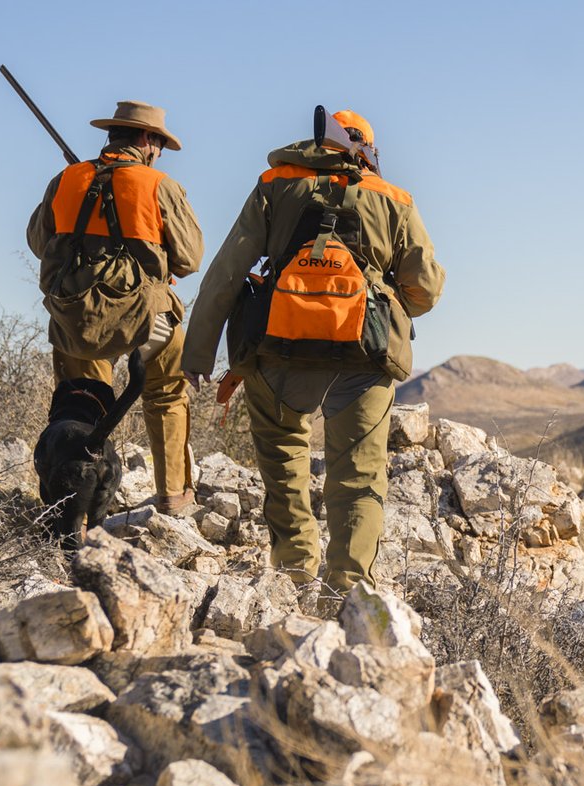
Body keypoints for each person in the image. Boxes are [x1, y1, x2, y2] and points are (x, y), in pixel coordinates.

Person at [183, 109, 444, 593]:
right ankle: (347, 590)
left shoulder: (273, 184)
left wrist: (197, 354)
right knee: (359, 479)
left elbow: (226, 272)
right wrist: (384, 304)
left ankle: (295, 575)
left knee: (284, 464)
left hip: (279, 347)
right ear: (364, 149)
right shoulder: (394, 199)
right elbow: (425, 288)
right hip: (363, 355)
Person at [27, 100, 204, 514]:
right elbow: (189, 259)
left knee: (81, 400)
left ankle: (73, 505)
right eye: (158, 142)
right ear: (145, 138)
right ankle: (173, 497)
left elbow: (39, 243)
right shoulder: (160, 185)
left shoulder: (66, 179)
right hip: (151, 320)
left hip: (79, 318)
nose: (158, 151)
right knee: (166, 394)